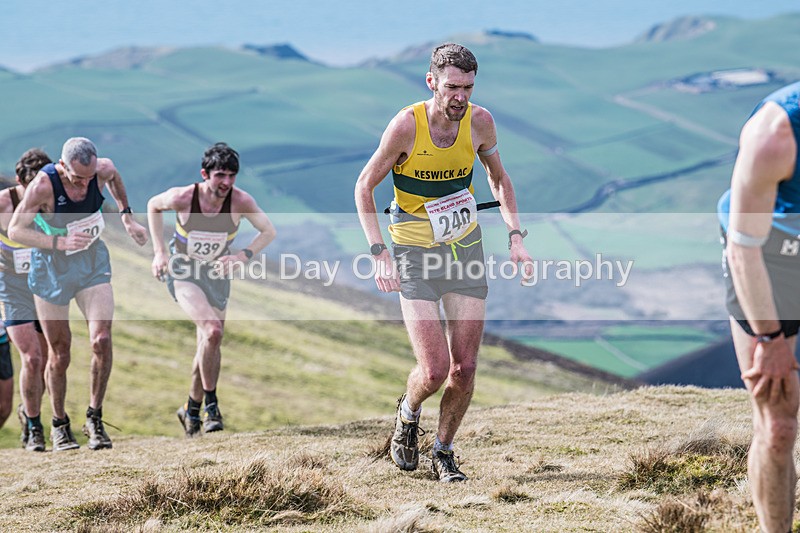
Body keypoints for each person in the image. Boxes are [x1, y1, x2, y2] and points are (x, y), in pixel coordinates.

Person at [354, 43, 533, 482]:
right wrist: (379, 254)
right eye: (452, 87)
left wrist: (515, 237)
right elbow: (363, 188)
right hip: (413, 253)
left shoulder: (480, 122)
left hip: (463, 249)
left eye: (468, 88)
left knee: (465, 367)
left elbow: (498, 177)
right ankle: (408, 411)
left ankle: (444, 450)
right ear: (431, 82)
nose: (461, 97)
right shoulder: (405, 127)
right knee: (433, 371)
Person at [8, 137, 148, 451]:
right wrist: (59, 243)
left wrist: (127, 217)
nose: (84, 184)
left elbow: (113, 179)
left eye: (88, 178)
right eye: (76, 178)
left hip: (91, 262)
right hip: (51, 268)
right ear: (62, 165)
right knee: (60, 352)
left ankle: (94, 418)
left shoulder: (103, 170)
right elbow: (16, 230)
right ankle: (59, 423)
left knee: (101, 338)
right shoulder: (43, 185)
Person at [147, 142, 276, 438]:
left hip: (217, 274)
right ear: (205, 174)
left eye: (232, 175)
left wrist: (242, 256)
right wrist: (159, 253)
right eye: (220, 175)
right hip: (183, 270)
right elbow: (154, 205)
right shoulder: (183, 197)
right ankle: (212, 407)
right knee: (213, 330)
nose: (226, 183)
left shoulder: (241, 201)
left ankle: (190, 409)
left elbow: (268, 231)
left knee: (208, 343)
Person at [718, 81, 800, 532]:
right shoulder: (775, 134)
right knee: (778, 423)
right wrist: (769, 339)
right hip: (768, 257)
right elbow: (743, 250)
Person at [0, 148, 53, 451]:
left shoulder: (52, 200)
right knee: (31, 357)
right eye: (31, 186)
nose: (37, 193)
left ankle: (27, 410)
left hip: (44, 286)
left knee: (46, 362)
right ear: (19, 180)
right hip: (11, 288)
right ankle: (34, 426)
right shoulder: (3, 204)